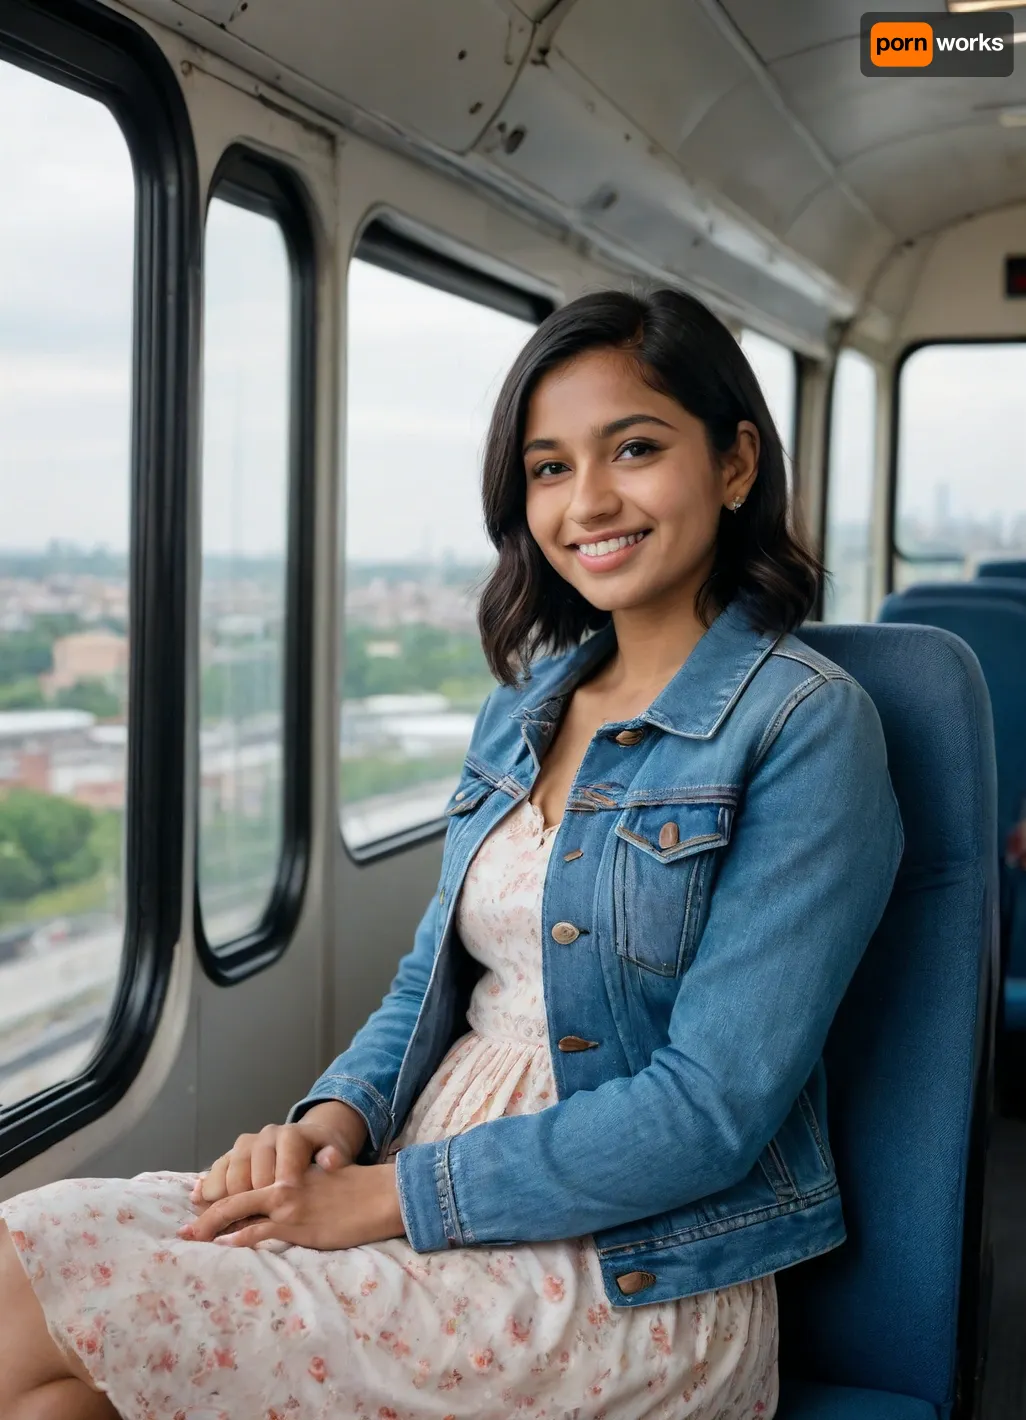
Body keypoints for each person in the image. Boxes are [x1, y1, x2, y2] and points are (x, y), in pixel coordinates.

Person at [0, 288, 903, 1420]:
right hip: (405, 1181)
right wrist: (326, 1128)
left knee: (19, 1294)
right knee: (44, 1361)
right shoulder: (524, 709)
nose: (591, 501)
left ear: (733, 464)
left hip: (627, 1274)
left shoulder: (807, 726)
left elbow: (711, 1112)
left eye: (635, 448)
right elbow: (434, 980)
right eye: (550, 467)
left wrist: (383, 1202)